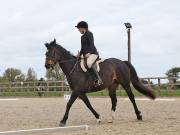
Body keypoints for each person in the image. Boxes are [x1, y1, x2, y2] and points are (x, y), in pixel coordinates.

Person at [75, 21, 103, 86]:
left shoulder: (89, 34)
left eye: (79, 28)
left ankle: (99, 79)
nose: (78, 30)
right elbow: (82, 48)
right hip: (86, 55)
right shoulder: (82, 37)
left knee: (89, 63)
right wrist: (79, 55)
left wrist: (89, 52)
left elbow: (91, 44)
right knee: (80, 64)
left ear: (83, 28)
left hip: (93, 53)